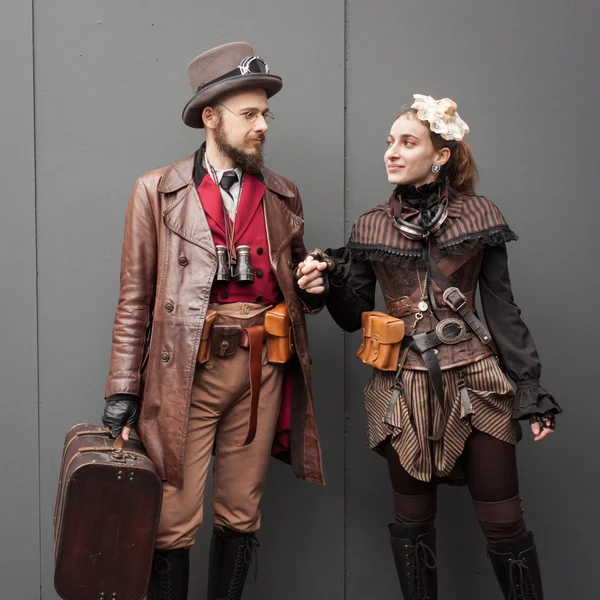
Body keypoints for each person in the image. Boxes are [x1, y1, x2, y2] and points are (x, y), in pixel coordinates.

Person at [297, 94, 560, 600]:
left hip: (478, 382)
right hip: (403, 386)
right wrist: (326, 284)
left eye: (407, 142)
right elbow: (354, 317)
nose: (391, 152)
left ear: (440, 155)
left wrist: (529, 388)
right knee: (412, 523)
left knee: (505, 524)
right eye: (390, 142)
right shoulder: (370, 226)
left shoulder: (479, 215)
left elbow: (502, 310)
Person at [101, 42, 327, 600]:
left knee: (241, 510)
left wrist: (313, 288)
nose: (262, 126)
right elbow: (134, 300)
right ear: (210, 117)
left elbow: (300, 284)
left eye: (265, 115)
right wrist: (122, 394)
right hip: (186, 373)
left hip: (261, 370)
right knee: (174, 516)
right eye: (249, 114)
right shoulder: (157, 191)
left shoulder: (283, 193)